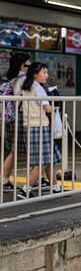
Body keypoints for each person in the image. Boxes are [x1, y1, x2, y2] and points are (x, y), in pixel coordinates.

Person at [19, 62, 62, 198]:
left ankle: (55, 187)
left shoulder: (27, 87)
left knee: (48, 159)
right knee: (42, 161)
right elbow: (48, 109)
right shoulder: (38, 88)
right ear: (35, 74)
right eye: (44, 72)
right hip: (40, 126)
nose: (47, 75)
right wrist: (56, 106)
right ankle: (26, 190)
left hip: (30, 126)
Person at [2, 52, 30, 192]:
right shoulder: (23, 79)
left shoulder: (13, 78)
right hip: (21, 117)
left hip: (13, 117)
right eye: (29, 64)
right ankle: (5, 180)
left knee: (15, 151)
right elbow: (25, 97)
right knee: (21, 150)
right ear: (23, 65)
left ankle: (5, 180)